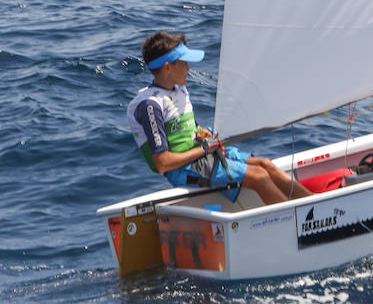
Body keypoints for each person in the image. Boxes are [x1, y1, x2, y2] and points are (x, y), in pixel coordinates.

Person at [126, 32, 312, 205]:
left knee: (266, 165)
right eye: (184, 63)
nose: (188, 68)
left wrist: (200, 133)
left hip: (202, 155)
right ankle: (299, 221)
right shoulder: (151, 105)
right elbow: (162, 163)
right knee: (259, 176)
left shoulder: (179, 90)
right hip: (184, 170)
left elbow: (181, 129)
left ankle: (313, 203)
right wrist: (204, 149)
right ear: (168, 67)